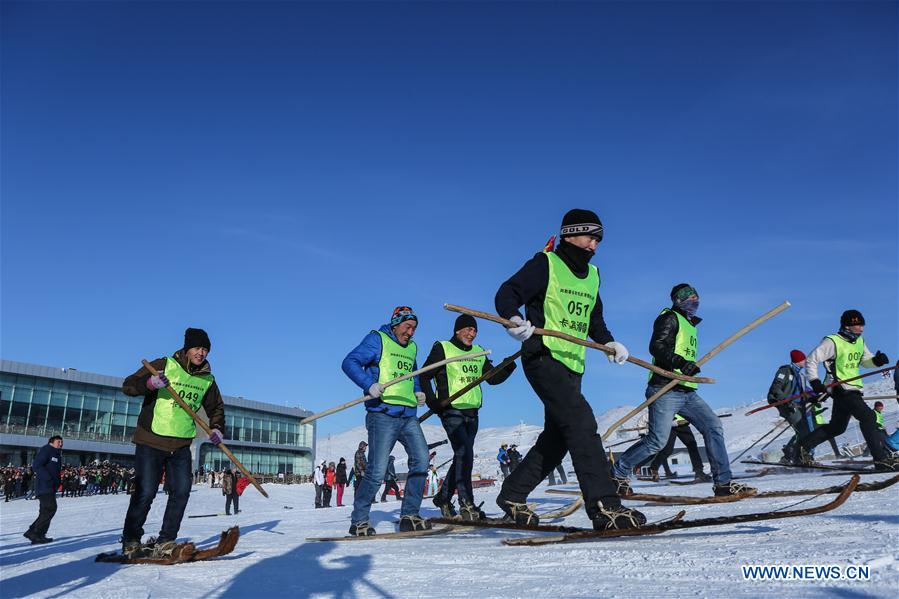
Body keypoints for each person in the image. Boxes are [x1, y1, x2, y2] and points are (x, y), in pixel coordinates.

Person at [493, 209, 645, 530]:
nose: (595, 245)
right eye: (591, 237)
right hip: (543, 356)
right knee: (581, 424)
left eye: (599, 240)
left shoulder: (592, 275)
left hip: (573, 364)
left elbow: (594, 319)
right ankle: (606, 505)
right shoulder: (546, 264)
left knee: (558, 438)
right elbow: (508, 293)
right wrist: (514, 320)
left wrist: (609, 342)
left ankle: (513, 494)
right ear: (571, 234)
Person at [611, 284, 755, 498]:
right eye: (690, 298)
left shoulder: (690, 325)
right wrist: (680, 362)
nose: (695, 302)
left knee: (713, 427)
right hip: (664, 388)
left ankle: (723, 484)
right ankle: (617, 474)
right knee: (657, 441)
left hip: (687, 390)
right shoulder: (669, 318)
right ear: (679, 300)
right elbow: (657, 347)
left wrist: (686, 367)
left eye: (697, 298)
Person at [120, 327, 226, 558]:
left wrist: (216, 428)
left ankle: (166, 540)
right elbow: (128, 385)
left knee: (182, 491)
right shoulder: (164, 364)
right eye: (198, 348)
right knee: (146, 492)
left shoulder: (207, 379)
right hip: (151, 439)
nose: (201, 353)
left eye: (205, 349)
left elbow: (216, 408)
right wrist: (149, 384)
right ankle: (131, 539)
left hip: (180, 444)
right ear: (187, 348)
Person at [341, 306, 431, 536]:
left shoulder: (412, 348)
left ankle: (409, 515)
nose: (410, 333)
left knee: (421, 460)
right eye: (407, 327)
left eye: (414, 329)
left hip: (408, 415)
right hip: (382, 414)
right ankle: (359, 520)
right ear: (395, 324)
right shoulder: (377, 339)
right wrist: (367, 384)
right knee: (377, 470)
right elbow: (349, 362)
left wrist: (418, 391)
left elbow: (413, 375)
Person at [420, 314, 517, 520]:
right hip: (451, 410)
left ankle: (443, 498)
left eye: (474, 331)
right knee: (465, 453)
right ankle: (467, 503)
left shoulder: (479, 351)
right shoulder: (443, 348)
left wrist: (507, 366)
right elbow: (424, 376)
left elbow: (491, 379)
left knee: (462, 456)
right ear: (458, 330)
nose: (472, 334)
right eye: (468, 330)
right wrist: (433, 402)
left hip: (472, 413)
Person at [798, 310, 896, 470]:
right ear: (847, 326)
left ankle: (801, 448)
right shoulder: (833, 341)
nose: (861, 328)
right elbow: (811, 360)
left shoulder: (859, 341)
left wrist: (876, 361)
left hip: (854, 388)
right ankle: (880, 459)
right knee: (869, 418)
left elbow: (865, 361)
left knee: (838, 427)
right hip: (840, 387)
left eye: (862, 325)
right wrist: (815, 381)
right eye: (857, 325)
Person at [767, 350, 816, 466]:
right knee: (803, 430)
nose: (805, 361)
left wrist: (815, 396)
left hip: (798, 405)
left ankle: (792, 456)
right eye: (804, 359)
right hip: (787, 406)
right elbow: (776, 388)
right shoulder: (785, 371)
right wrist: (786, 401)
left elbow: (805, 391)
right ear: (798, 360)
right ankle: (799, 457)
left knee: (806, 431)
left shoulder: (800, 375)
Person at [647, 414, 710, 482]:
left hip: (683, 424)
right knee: (667, 450)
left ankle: (699, 472)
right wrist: (669, 422)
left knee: (692, 445)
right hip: (670, 427)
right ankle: (654, 468)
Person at [23, 435, 63, 544]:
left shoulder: (56, 453)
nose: (61, 444)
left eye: (61, 442)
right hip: (44, 486)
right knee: (51, 508)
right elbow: (37, 465)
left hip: (50, 487)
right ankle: (33, 532)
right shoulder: (46, 450)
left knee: (45, 511)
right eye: (58, 441)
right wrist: (48, 478)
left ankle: (38, 535)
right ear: (51, 442)